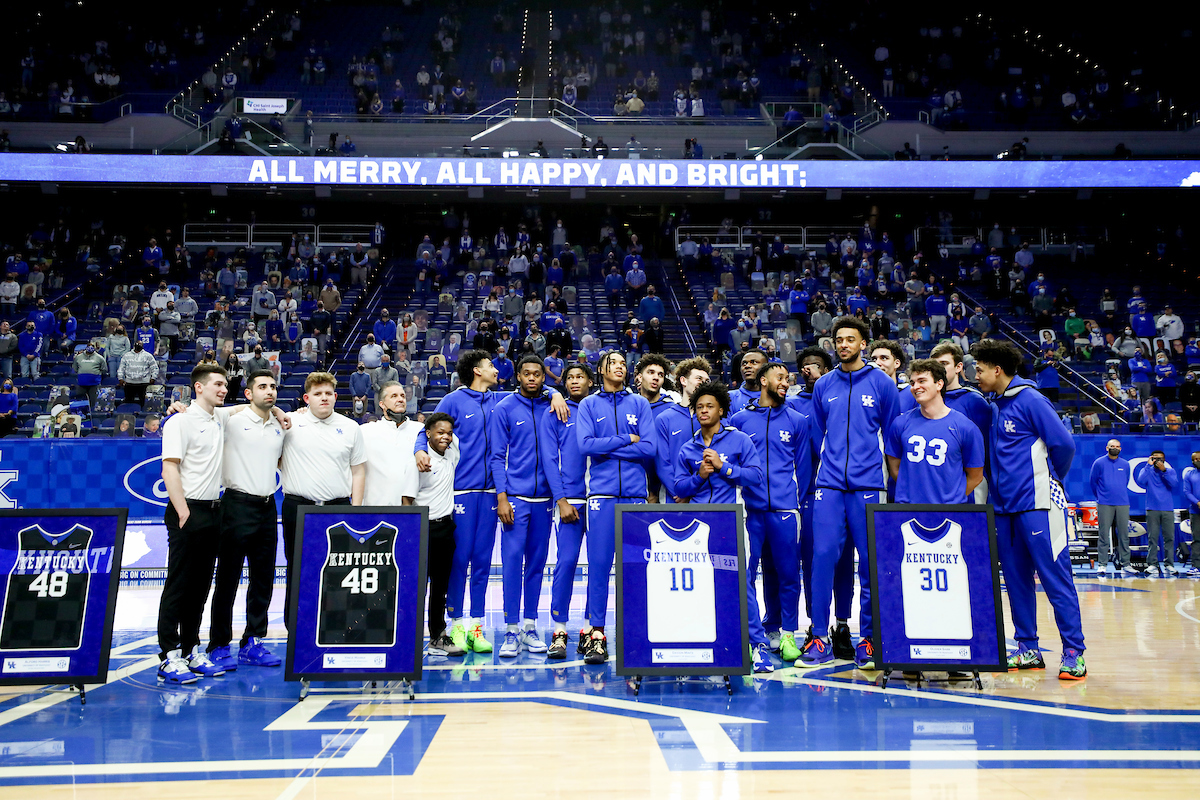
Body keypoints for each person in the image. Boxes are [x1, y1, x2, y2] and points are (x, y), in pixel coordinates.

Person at [972, 339, 1085, 679]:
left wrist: (1050, 480)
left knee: (1055, 580)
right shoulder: (994, 406)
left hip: (1038, 505)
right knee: (1017, 582)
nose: (976, 376)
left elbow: (1064, 444)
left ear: (997, 370)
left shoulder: (1032, 399)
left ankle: (1074, 652)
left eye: (979, 370)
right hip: (1004, 510)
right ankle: (1028, 649)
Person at [800, 317, 899, 669]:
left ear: (863, 344)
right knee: (822, 558)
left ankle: (869, 640)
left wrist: (891, 481)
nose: (843, 345)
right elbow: (818, 435)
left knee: (870, 565)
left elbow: (893, 435)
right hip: (828, 485)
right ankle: (818, 637)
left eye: (850, 340)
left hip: (869, 485)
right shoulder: (824, 384)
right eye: (838, 340)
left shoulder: (883, 385)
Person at [731, 362, 813, 667]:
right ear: (763, 380)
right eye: (779, 377)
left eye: (787, 378)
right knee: (748, 575)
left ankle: (788, 633)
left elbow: (803, 468)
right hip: (749, 510)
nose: (785, 382)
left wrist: (794, 501)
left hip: (784, 510)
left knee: (789, 573)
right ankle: (756, 635)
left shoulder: (796, 420)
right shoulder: (740, 420)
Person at [577, 351, 657, 664]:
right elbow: (585, 445)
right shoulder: (588, 404)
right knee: (598, 567)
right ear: (601, 370)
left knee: (636, 569)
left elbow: (649, 449)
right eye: (614, 363)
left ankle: (636, 634)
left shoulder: (639, 403)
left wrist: (608, 448)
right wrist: (626, 440)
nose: (620, 366)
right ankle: (596, 634)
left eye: (624, 363)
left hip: (636, 498)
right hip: (602, 497)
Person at [207, 370, 287, 670]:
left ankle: (253, 640)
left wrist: (277, 411)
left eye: (273, 387)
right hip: (236, 505)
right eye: (262, 387)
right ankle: (218, 644)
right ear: (248, 393)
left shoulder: (281, 426)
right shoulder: (231, 421)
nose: (270, 391)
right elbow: (204, 409)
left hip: (267, 508)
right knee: (227, 579)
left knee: (263, 579)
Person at [156, 364, 231, 684]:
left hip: (215, 511)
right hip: (188, 511)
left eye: (226, 384)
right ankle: (168, 655)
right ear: (198, 388)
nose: (223, 389)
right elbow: (169, 469)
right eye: (217, 384)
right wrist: (182, 509)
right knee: (180, 583)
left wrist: (284, 414)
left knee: (201, 586)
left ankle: (191, 648)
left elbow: (250, 405)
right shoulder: (179, 421)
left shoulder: (219, 418)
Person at [491, 356, 566, 657]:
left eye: (538, 374)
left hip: (545, 500)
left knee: (536, 566)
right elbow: (497, 456)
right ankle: (511, 631)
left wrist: (556, 393)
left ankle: (530, 626)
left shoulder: (551, 404)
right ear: (518, 376)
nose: (533, 378)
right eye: (527, 374)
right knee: (511, 564)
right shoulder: (505, 408)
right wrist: (502, 497)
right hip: (516, 500)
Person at [279, 372, 367, 630]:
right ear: (306, 398)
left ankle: (337, 624)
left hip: (338, 507)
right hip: (298, 506)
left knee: (339, 570)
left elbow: (358, 470)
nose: (324, 398)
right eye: (317, 394)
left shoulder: (350, 427)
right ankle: (295, 626)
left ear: (336, 397)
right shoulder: (290, 422)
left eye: (328, 393)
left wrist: (356, 510)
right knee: (298, 568)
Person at [401, 412, 463, 656]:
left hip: (446, 529)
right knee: (416, 587)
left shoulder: (452, 455)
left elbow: (451, 432)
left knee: (440, 588)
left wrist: (447, 433)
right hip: (422, 529)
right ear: (427, 434)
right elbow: (407, 500)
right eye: (440, 433)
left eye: (448, 433)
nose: (445, 437)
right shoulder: (418, 463)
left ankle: (437, 636)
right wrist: (411, 536)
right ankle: (407, 637)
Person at [885, 359, 985, 504]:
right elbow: (894, 469)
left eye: (922, 381)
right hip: (907, 509)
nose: (915, 387)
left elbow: (976, 475)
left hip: (948, 512)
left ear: (939, 384)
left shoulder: (965, 427)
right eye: (912, 383)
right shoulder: (900, 423)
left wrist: (952, 498)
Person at [546, 362, 592, 658]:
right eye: (570, 378)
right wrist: (561, 500)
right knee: (566, 563)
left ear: (591, 380)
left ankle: (590, 629)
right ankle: (559, 629)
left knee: (599, 569)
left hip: (602, 500)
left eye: (580, 377)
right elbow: (551, 460)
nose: (574, 382)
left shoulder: (602, 408)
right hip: (570, 502)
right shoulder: (556, 412)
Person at [654, 357, 711, 503]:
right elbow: (663, 464)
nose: (703, 382)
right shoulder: (664, 418)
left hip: (708, 497)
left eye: (706, 380)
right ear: (683, 381)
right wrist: (681, 492)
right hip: (674, 498)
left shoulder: (716, 418)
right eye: (698, 378)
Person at [1089, 438, 1134, 578]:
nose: (1115, 448)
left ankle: (1126, 564)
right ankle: (1102, 564)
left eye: (1117, 446)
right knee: (1103, 535)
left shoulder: (1125, 464)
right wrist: (1101, 497)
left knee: (1123, 535)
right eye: (1112, 446)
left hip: (1122, 503)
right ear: (1107, 448)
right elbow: (1093, 482)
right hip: (1104, 503)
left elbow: (1125, 481)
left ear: (1121, 449)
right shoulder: (1099, 463)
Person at [1134, 450, 1179, 578]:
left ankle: (1169, 564)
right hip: (1152, 509)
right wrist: (1148, 466)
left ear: (1164, 460)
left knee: (1169, 538)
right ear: (1151, 459)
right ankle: (1152, 563)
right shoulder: (1148, 471)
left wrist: (1164, 471)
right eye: (1155, 458)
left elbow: (1174, 484)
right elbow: (1141, 481)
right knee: (1152, 538)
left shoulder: (1170, 471)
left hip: (1167, 509)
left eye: (1160, 459)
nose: (1158, 461)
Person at [117, 338, 158, 407]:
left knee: (143, 402)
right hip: (130, 383)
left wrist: (153, 377)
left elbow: (155, 368)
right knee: (128, 401)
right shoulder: (126, 355)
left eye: (140, 345)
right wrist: (120, 378)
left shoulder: (148, 356)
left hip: (143, 383)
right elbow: (121, 368)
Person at [1184, 451, 1200, 578]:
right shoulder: (1189, 475)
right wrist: (1197, 502)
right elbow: (1187, 492)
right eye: (1196, 459)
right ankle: (1196, 566)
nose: (1198, 461)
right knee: (1197, 539)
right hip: (1196, 511)